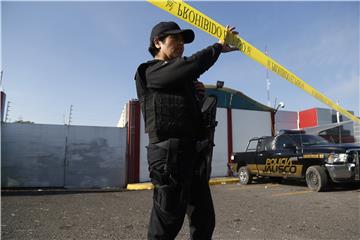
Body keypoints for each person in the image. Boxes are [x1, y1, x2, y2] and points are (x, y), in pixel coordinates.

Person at [134, 21, 238, 240]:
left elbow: (187, 105)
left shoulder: (183, 79)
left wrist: (195, 92)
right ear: (158, 42)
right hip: (168, 155)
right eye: (175, 39)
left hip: (194, 153)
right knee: (167, 222)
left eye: (184, 41)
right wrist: (218, 46)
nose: (181, 44)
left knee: (204, 219)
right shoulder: (149, 71)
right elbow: (192, 64)